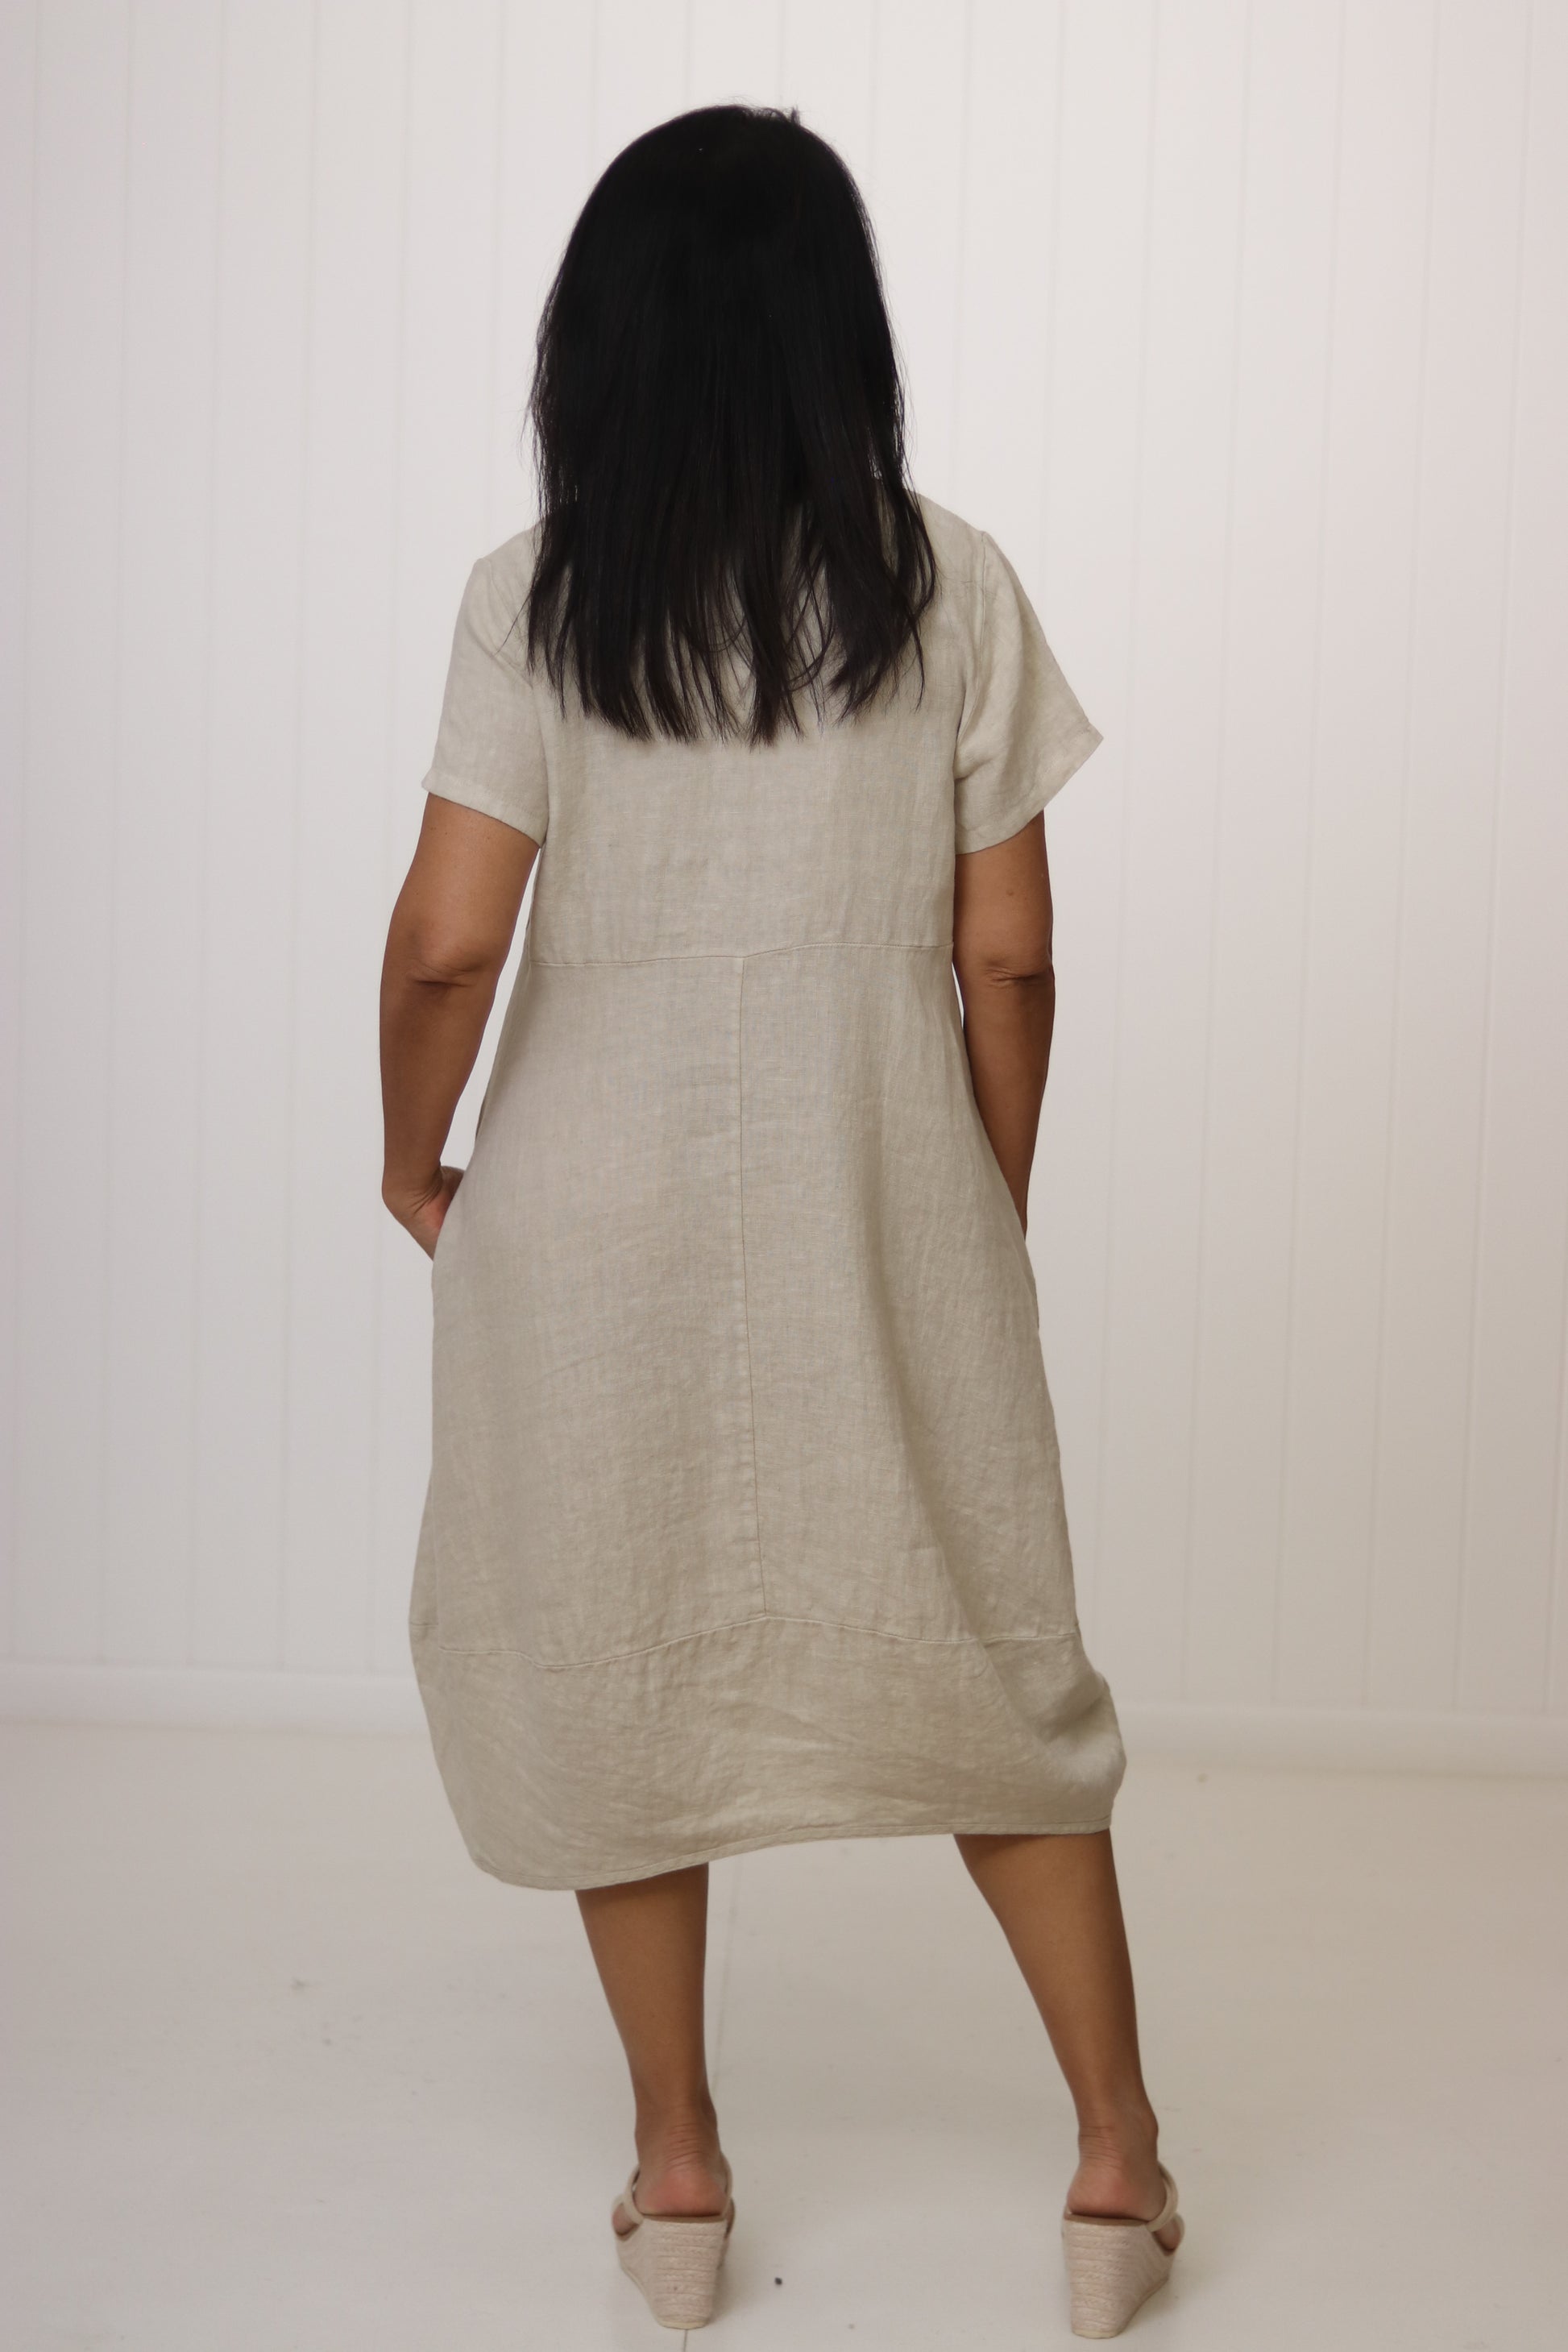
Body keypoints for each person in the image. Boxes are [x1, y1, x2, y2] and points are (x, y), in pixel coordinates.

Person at [379, 103, 1182, 2339]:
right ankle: (1115, 2169)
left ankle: (677, 2176)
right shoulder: (951, 586)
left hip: (581, 1225)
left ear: (599, 342)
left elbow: (446, 944)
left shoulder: (537, 600)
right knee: (994, 1663)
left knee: (612, 1657)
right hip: (875, 1202)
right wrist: (974, 1201)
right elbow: (1011, 953)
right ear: (846, 335)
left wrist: (411, 1159)